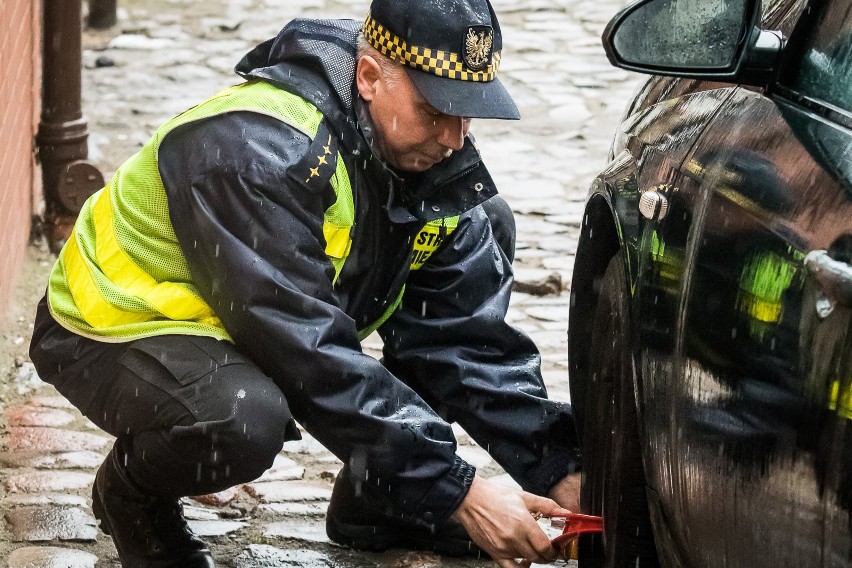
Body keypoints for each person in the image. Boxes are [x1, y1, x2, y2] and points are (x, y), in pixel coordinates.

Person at [29, 0, 583, 566]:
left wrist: (563, 470)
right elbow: (308, 354)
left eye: (469, 112)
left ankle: (382, 503)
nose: (454, 138)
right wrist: (459, 490)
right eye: (435, 109)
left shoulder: (423, 152)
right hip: (110, 326)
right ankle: (131, 495)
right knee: (242, 419)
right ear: (369, 77)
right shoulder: (258, 153)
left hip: (252, 323)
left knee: (485, 217)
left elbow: (460, 342)